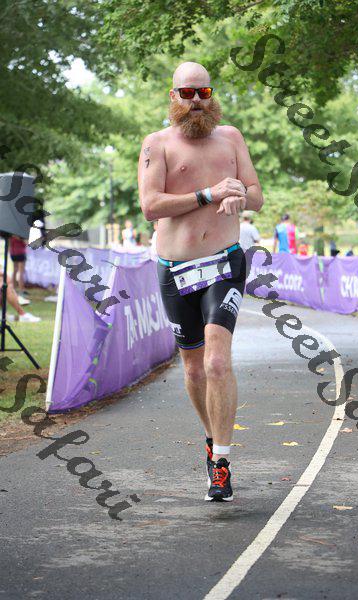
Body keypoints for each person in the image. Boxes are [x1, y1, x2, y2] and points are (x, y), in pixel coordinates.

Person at [138, 61, 263, 502]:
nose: (196, 101)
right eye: (187, 93)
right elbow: (150, 206)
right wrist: (209, 194)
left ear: (212, 95)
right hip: (175, 269)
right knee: (192, 369)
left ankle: (222, 464)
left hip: (224, 263)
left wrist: (239, 196)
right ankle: (212, 441)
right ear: (173, 96)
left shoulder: (231, 138)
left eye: (203, 92)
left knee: (216, 363)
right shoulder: (157, 144)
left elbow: (257, 195)